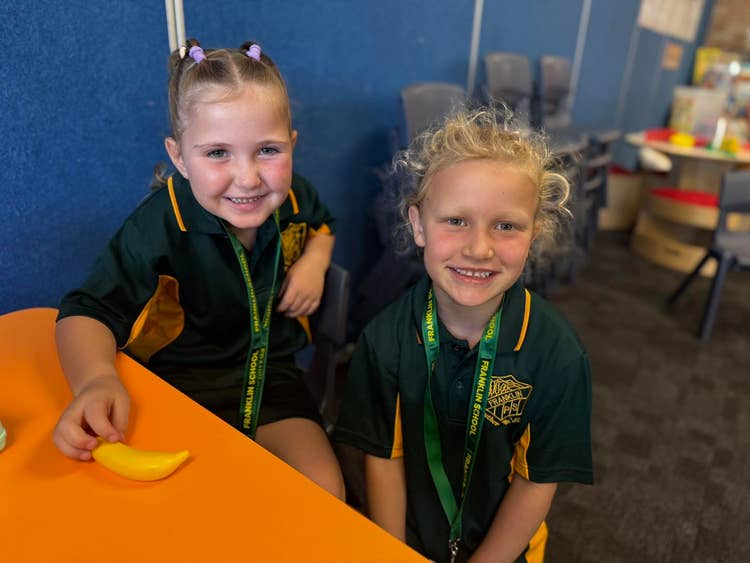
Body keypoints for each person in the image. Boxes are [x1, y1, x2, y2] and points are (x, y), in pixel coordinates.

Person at [52, 39, 345, 499]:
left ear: (292, 143)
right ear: (179, 157)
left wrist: (316, 258)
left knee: (326, 497)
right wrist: (96, 380)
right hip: (180, 388)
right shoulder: (158, 227)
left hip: (273, 380)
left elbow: (323, 222)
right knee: (194, 510)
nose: (247, 178)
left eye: (267, 150)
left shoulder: (293, 195)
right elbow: (85, 310)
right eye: (217, 154)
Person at [334, 107, 593, 561]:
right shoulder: (384, 340)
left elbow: (536, 483)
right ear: (418, 226)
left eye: (506, 226)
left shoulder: (558, 357)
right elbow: (384, 458)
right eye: (455, 220)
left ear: (533, 236)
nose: (479, 248)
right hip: (409, 537)